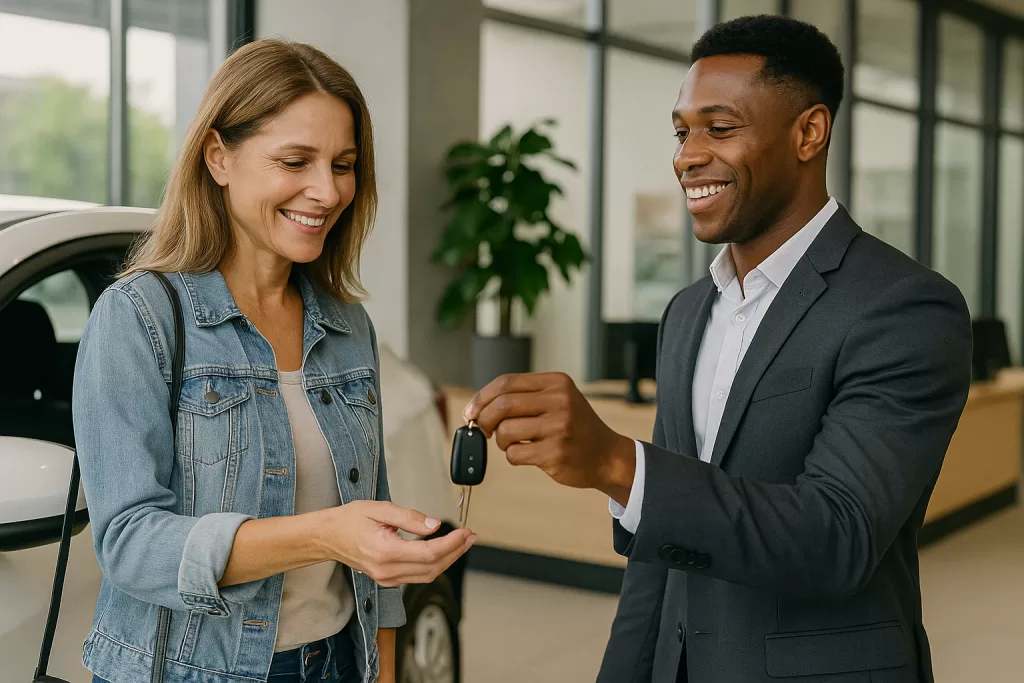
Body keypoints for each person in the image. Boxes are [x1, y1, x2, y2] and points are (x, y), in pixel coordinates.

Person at [463, 15, 972, 683]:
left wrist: (616, 461)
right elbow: (657, 560)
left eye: (720, 128)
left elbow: (838, 536)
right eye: (682, 132)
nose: (687, 156)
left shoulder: (904, 306)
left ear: (809, 132)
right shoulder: (686, 312)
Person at [72, 39, 475, 683]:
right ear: (218, 156)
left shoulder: (346, 325)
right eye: (295, 161)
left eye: (343, 165)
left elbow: (374, 535)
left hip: (338, 663)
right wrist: (323, 535)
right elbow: (130, 544)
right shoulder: (140, 316)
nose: (327, 191)